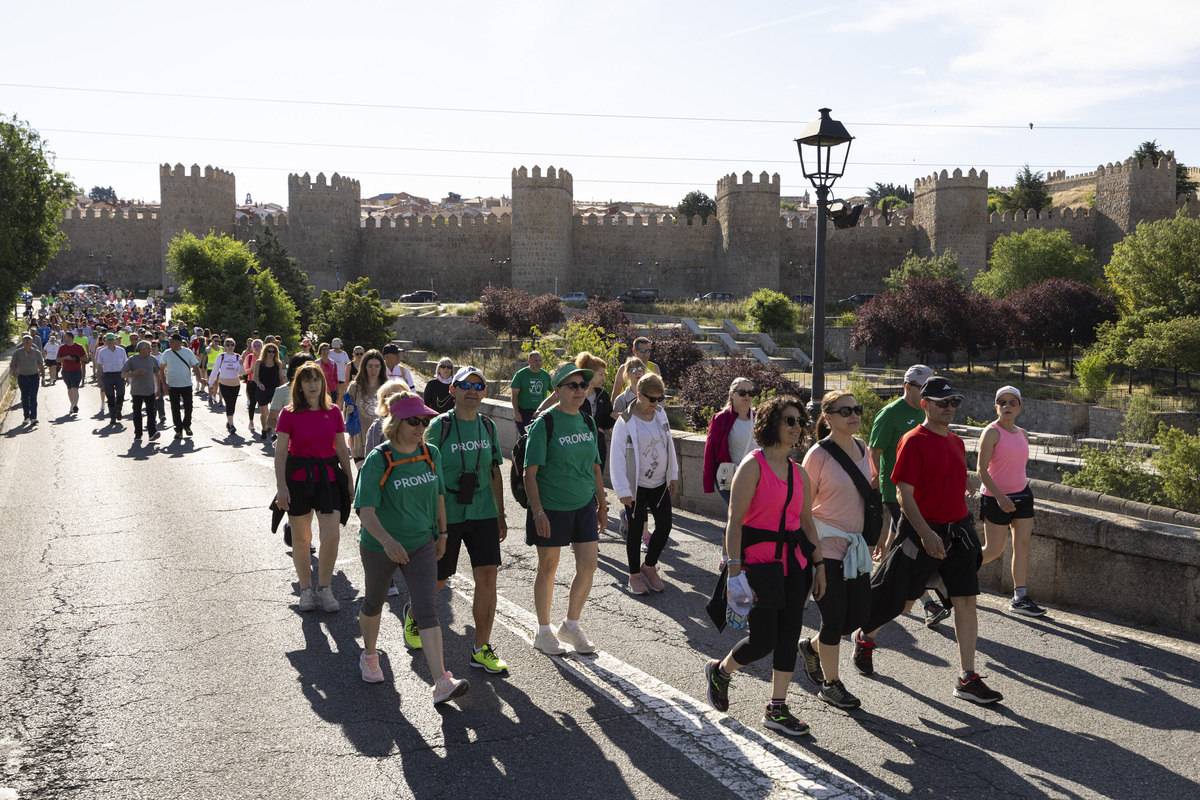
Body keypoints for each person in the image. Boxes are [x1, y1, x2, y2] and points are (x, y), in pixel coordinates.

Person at [853, 377, 1002, 704]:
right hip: (921, 532)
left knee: (966, 599)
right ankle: (867, 635)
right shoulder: (913, 440)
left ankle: (967, 677)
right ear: (925, 404)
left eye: (953, 402)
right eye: (941, 403)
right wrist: (925, 534)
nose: (949, 408)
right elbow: (904, 495)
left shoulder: (956, 442)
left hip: (957, 532)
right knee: (902, 600)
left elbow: (949, 481)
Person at [704, 395, 825, 736]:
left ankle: (777, 708)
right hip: (758, 564)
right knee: (763, 639)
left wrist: (820, 565)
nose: (797, 426)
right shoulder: (752, 465)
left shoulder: (799, 472)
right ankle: (721, 670)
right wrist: (734, 568)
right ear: (772, 423)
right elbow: (735, 520)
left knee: (788, 638)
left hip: (794, 565)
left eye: (800, 421)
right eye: (790, 420)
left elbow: (807, 522)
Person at [353, 389, 469, 704]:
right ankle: (369, 653)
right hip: (381, 546)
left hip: (420, 543)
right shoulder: (380, 459)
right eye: (413, 421)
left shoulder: (431, 453)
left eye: (424, 420)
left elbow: (441, 496)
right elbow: (365, 510)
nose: (421, 426)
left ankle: (441, 681)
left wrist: (443, 535)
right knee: (374, 603)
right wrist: (387, 541)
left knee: (427, 608)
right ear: (396, 422)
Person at [425, 366, 509, 674]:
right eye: (465, 385)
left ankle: (480, 648)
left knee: (487, 576)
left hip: (483, 510)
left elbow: (494, 471)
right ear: (453, 390)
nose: (472, 390)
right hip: (447, 512)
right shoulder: (438, 427)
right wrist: (432, 518)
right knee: (439, 577)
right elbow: (426, 471)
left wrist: (501, 514)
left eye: (479, 385)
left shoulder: (488, 426)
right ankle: (415, 611)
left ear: (484, 392)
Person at [524, 362, 608, 655]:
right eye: (572, 386)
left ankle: (570, 626)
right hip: (552, 506)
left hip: (584, 504)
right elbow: (529, 473)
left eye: (583, 386)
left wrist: (602, 504)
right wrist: (538, 511)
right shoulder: (544, 423)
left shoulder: (587, 422)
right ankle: (543, 631)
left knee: (588, 565)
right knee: (548, 567)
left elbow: (595, 466)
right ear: (557, 389)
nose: (580, 390)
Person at [798, 391, 873, 710]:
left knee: (856, 616)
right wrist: (813, 557)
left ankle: (813, 648)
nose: (854, 415)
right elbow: (803, 509)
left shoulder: (863, 448)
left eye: (856, 409)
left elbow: (867, 494)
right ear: (827, 418)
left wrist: (878, 532)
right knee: (833, 616)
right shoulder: (817, 455)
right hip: (824, 544)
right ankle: (831, 684)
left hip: (854, 546)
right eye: (845, 411)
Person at [868, 364, 948, 627]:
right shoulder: (889, 414)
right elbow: (875, 452)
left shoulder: (934, 415)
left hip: (925, 494)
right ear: (908, 388)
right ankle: (927, 602)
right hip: (897, 492)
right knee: (912, 551)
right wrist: (878, 492)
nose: (927, 393)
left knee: (898, 552)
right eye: (921, 388)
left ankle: (874, 592)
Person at [274, 362, 353, 614]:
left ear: (323, 384)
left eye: (316, 380)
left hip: (328, 479)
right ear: (299, 385)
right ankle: (306, 590)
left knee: (331, 536)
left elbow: (341, 449)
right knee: (301, 538)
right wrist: (281, 487)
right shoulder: (289, 413)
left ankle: (325, 588)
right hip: (297, 480)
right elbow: (280, 454)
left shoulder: (334, 412)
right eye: (307, 381)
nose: (312, 385)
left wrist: (350, 481)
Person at [977, 386, 1045, 617]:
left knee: (1022, 546)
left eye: (1012, 402)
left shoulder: (1023, 434)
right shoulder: (991, 432)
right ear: (996, 407)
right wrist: (999, 497)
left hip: (1022, 496)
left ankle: (1020, 598)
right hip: (995, 497)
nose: (1007, 406)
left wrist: (1014, 495)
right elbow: (981, 471)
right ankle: (956, 572)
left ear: (1019, 407)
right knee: (994, 550)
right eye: (1002, 402)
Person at [609, 372, 678, 595]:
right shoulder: (626, 421)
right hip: (636, 485)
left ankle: (649, 566)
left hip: (659, 483)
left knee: (665, 525)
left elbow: (669, 445)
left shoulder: (660, 414)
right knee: (636, 529)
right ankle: (634, 574)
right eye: (652, 399)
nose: (656, 403)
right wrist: (623, 490)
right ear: (639, 395)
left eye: (660, 398)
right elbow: (617, 457)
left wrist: (672, 474)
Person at [703, 377, 757, 505]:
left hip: (754, 476)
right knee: (738, 513)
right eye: (742, 392)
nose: (747, 396)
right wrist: (708, 483)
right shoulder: (720, 419)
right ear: (732, 394)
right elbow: (709, 451)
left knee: (745, 517)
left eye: (751, 393)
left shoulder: (758, 418)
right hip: (730, 476)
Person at [159, 333, 203, 440]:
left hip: (186, 384)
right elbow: (161, 369)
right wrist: (164, 384)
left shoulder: (187, 352)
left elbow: (195, 366)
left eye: (173, 341)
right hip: (172, 385)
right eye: (170, 341)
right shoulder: (167, 353)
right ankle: (178, 429)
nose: (170, 343)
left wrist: (200, 379)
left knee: (188, 407)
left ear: (179, 342)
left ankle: (187, 425)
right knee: (175, 408)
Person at [347, 349, 387, 462]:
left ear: (381, 367)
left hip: (382, 443)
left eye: (377, 366)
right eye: (370, 366)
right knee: (363, 477)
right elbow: (347, 419)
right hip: (360, 443)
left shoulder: (387, 387)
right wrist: (349, 411)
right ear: (364, 367)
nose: (373, 370)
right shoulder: (354, 387)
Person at [121, 340, 162, 442]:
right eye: (148, 348)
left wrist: (158, 389)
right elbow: (123, 374)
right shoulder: (132, 360)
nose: (150, 349)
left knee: (151, 412)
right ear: (141, 350)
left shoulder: (152, 359)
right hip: (137, 391)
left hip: (150, 390)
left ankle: (152, 433)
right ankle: (138, 434)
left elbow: (157, 374)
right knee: (137, 413)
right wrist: (134, 373)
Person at [509, 350, 552, 437]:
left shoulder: (545, 375)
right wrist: (516, 412)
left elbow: (555, 393)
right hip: (523, 413)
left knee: (539, 439)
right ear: (529, 361)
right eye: (535, 361)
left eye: (540, 360)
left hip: (540, 413)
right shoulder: (520, 375)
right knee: (525, 439)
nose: (538, 363)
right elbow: (514, 395)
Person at [209, 338, 245, 435]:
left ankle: (229, 423)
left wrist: (241, 365)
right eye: (228, 345)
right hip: (224, 383)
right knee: (228, 403)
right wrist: (211, 383)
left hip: (235, 384)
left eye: (232, 344)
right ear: (224, 347)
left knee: (232, 405)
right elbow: (215, 370)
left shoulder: (238, 357)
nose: (230, 347)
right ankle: (232, 425)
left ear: (234, 346)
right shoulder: (221, 356)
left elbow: (241, 372)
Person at [252, 342, 286, 438]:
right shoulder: (259, 362)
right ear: (265, 352)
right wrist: (259, 384)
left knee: (274, 414)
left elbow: (280, 377)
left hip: (275, 390)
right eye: (269, 351)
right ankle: (264, 429)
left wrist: (283, 389)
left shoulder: (278, 363)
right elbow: (255, 377)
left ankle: (274, 433)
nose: (271, 353)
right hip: (262, 390)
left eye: (273, 352)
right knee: (264, 413)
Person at [11, 335, 46, 425]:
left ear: (32, 342)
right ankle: (26, 416)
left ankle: (33, 417)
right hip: (22, 377)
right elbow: (13, 363)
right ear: (22, 342)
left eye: (28, 340)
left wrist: (43, 378)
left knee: (33, 397)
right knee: (25, 397)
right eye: (25, 340)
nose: (26, 341)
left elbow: (41, 366)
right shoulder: (17, 352)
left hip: (34, 377)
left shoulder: (36, 352)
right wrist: (13, 370)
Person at [95, 332, 128, 425]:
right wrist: (99, 380)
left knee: (121, 395)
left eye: (112, 339)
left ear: (115, 340)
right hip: (108, 375)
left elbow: (125, 364)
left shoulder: (121, 350)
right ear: (105, 341)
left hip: (119, 375)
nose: (110, 341)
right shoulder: (102, 352)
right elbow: (99, 367)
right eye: (108, 340)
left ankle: (119, 409)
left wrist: (127, 377)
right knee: (110, 397)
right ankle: (112, 416)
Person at [57, 329, 88, 415]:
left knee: (75, 387)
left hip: (76, 370)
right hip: (66, 371)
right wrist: (65, 357)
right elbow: (57, 359)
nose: (63, 338)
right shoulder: (62, 347)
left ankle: (75, 405)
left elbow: (85, 358)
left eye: (65, 337)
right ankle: (72, 404)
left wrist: (78, 358)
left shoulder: (79, 347)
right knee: (69, 388)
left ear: (70, 338)